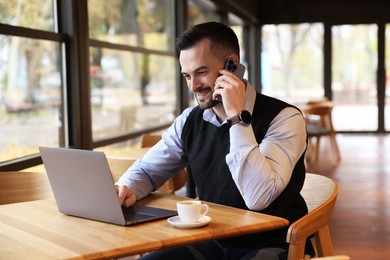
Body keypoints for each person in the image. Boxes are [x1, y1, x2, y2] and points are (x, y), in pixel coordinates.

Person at [115, 22, 310, 259]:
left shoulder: (285, 118)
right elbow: (148, 171)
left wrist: (237, 117)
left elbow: (259, 197)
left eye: (201, 72)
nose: (193, 86)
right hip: (210, 237)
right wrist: (127, 186)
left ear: (232, 65)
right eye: (187, 76)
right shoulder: (189, 120)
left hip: (270, 242)